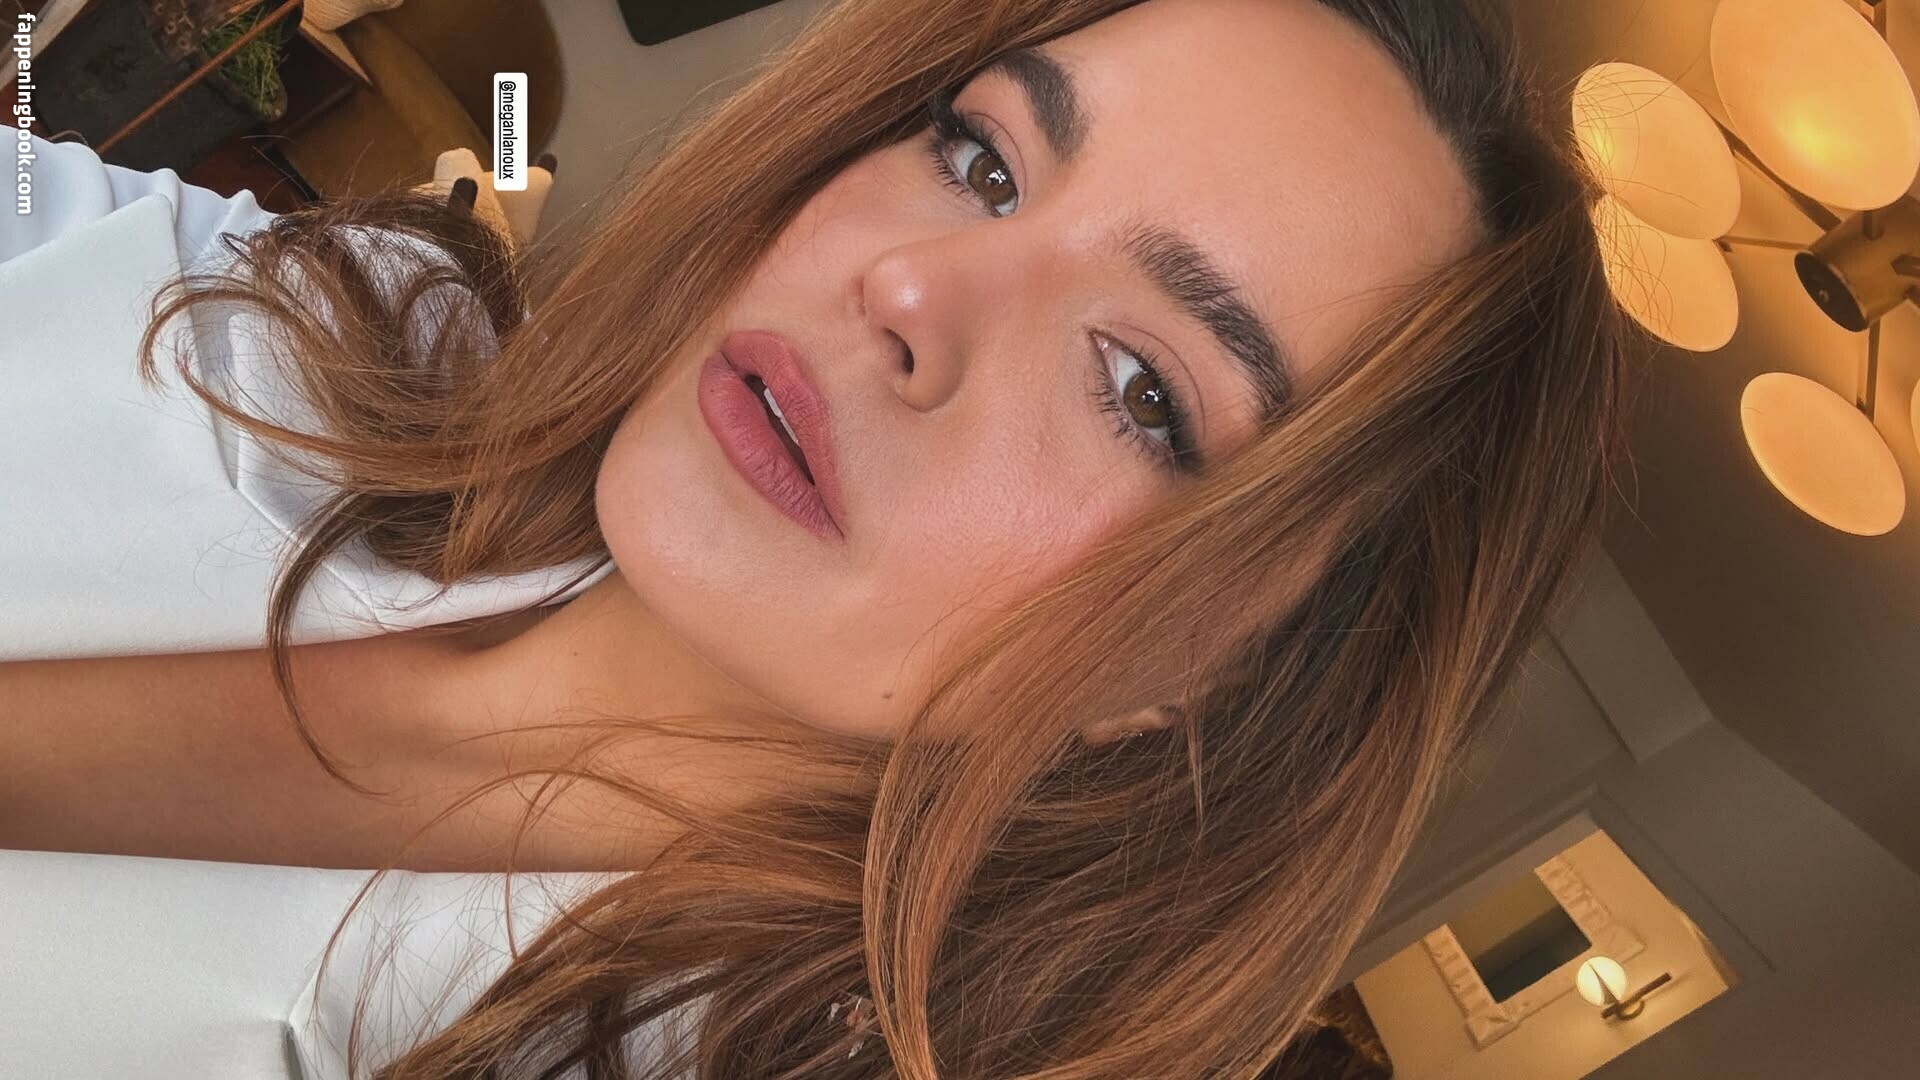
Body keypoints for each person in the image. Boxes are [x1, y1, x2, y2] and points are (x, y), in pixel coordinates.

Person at [0, 0, 1638, 1074]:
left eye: (1144, 390)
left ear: (1211, 676)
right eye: (981, 158)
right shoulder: (317, 317)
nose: (909, 286)